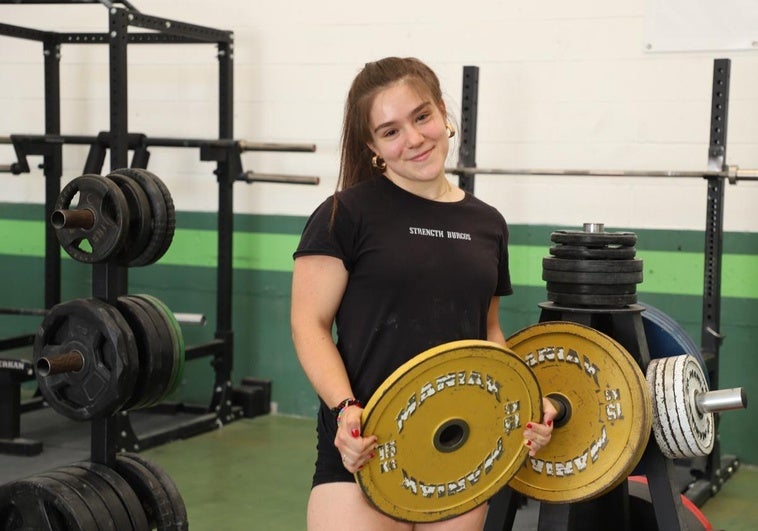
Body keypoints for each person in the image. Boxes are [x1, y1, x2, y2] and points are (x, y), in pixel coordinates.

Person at [291, 56, 557, 531]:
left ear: (442, 115)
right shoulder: (344, 215)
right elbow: (309, 325)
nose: (414, 139)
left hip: (462, 442)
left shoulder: (488, 223)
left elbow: (488, 330)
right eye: (390, 131)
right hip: (366, 447)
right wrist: (344, 409)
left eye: (421, 117)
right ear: (373, 146)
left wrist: (526, 405)